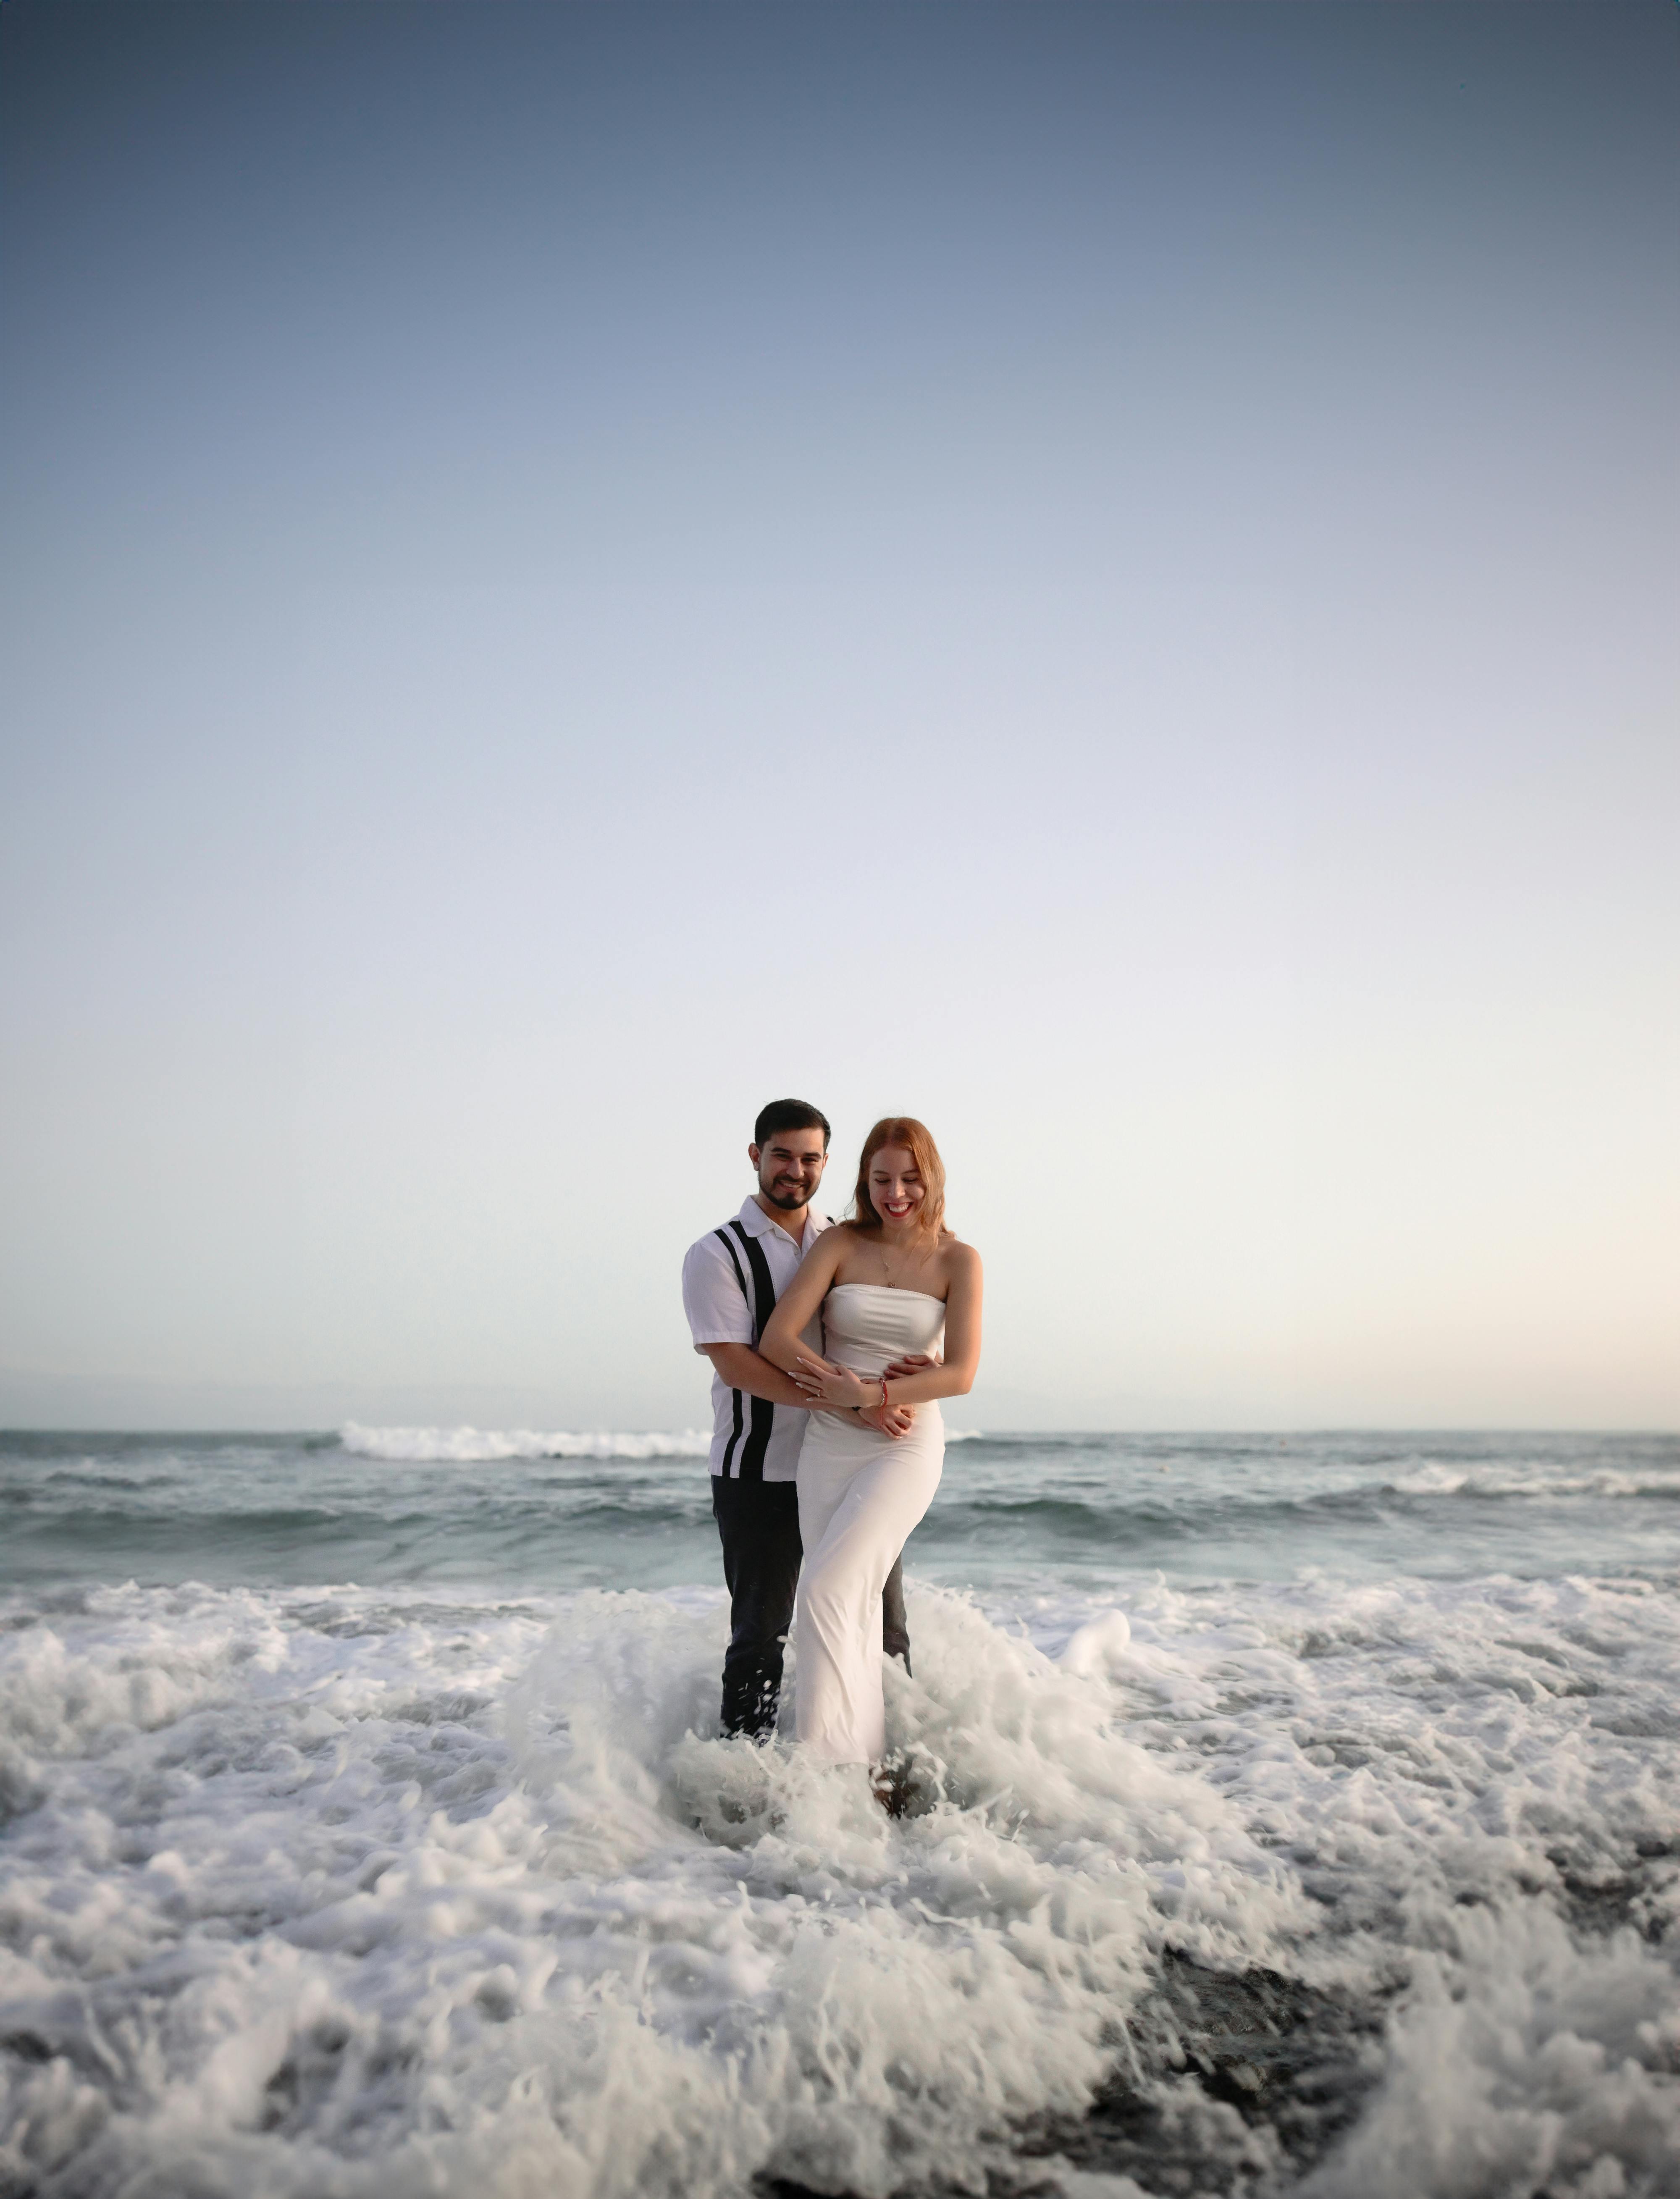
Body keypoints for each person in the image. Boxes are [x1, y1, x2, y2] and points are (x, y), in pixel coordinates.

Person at [681, 1100, 929, 1740]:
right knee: (761, 1636)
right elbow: (739, 1367)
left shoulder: (847, 1240)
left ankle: (895, 1775)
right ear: (756, 1155)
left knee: (882, 1627)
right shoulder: (716, 1254)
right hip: (758, 1469)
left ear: (826, 1163)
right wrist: (850, 1402)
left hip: (856, 1464)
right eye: (783, 1155)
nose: (796, 1170)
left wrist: (893, 1386)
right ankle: (745, 1788)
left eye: (810, 1158)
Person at [761, 1116, 982, 1777]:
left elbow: (961, 1374)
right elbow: (779, 1339)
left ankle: (823, 1776)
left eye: (910, 1179)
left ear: (932, 1178)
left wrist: (878, 1400)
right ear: (864, 1180)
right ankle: (867, 1771)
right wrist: (846, 1394)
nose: (896, 1193)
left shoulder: (957, 1259)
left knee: (827, 1589)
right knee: (847, 1609)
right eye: (881, 1178)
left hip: (904, 1444)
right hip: (829, 1440)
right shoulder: (840, 1243)